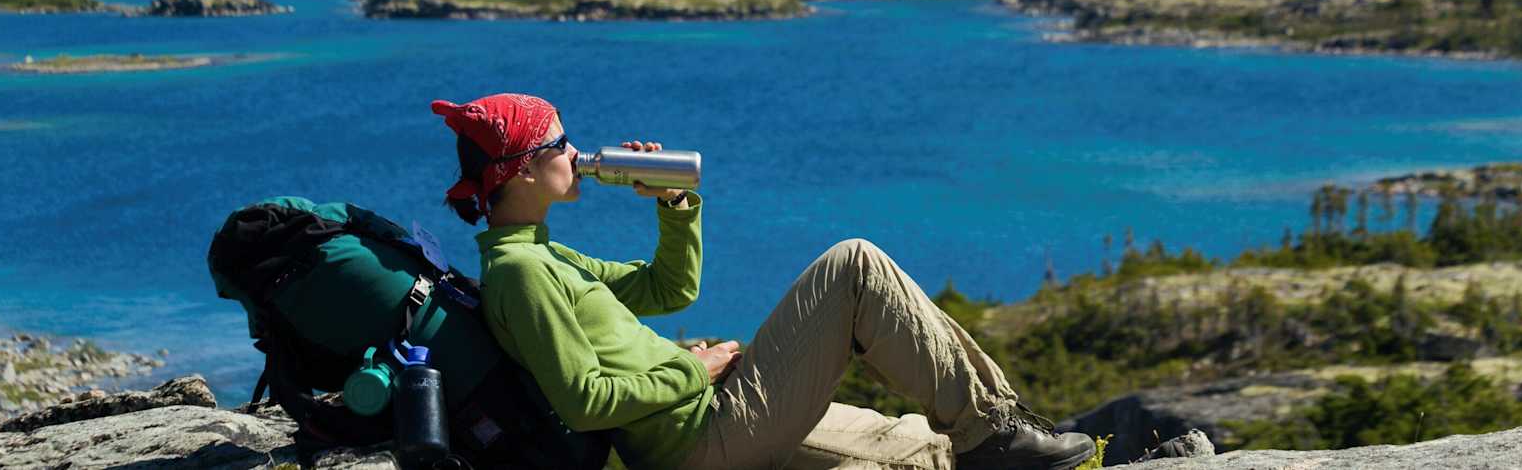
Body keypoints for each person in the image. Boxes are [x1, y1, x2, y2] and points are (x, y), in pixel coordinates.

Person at [432, 93, 1095, 470]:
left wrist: (672, 203)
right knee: (855, 266)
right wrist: (697, 367)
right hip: (699, 435)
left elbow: (670, 290)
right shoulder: (521, 274)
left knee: (921, 453)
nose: (576, 152)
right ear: (518, 173)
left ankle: (986, 438)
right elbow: (582, 399)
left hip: (711, 422)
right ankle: (994, 431)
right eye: (559, 145)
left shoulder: (542, 255)